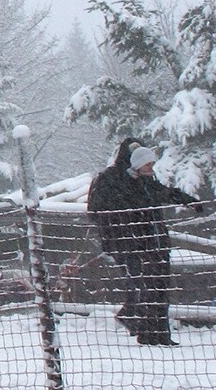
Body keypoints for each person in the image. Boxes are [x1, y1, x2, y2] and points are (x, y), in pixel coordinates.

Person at [76, 139, 196, 345]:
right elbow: (105, 210)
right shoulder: (113, 180)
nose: (151, 168)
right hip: (130, 243)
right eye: (147, 164)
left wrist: (187, 199)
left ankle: (158, 333)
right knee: (144, 286)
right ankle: (143, 327)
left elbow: (163, 193)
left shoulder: (147, 181)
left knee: (158, 286)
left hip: (154, 242)